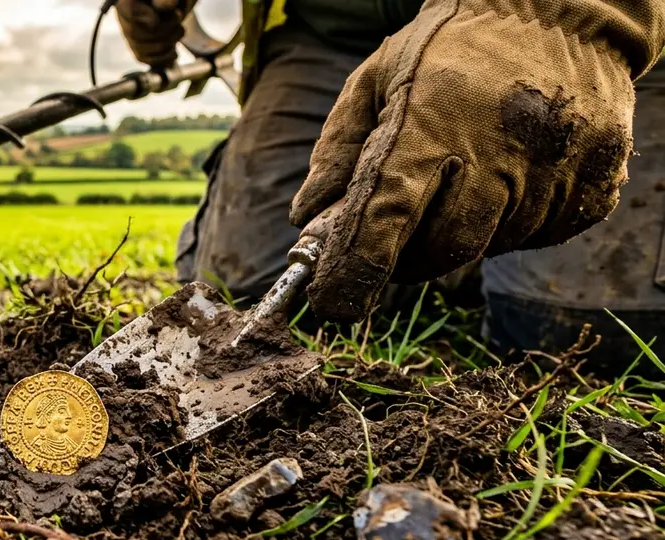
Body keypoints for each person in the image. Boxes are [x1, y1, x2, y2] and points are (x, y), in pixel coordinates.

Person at [116, 0, 665, 369]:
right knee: (252, 288)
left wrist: (555, 23)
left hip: (577, 28)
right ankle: (444, 228)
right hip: (333, 26)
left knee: (577, 337)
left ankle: (473, 223)